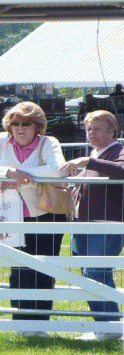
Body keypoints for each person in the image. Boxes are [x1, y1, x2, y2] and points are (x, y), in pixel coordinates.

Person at [0, 102, 66, 335]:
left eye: (26, 123)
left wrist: (21, 177)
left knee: (43, 269)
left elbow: (58, 168)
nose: (20, 128)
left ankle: (39, 325)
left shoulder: (48, 143)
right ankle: (22, 323)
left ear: (38, 126)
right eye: (15, 124)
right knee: (19, 270)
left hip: (46, 214)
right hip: (11, 217)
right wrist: (9, 172)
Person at [60, 110, 124, 340]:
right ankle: (107, 326)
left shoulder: (118, 151)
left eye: (97, 128)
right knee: (90, 274)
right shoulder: (96, 154)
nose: (91, 133)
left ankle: (108, 328)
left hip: (106, 224)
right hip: (82, 224)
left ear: (112, 130)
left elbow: (122, 171)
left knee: (95, 272)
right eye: (88, 129)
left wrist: (88, 161)